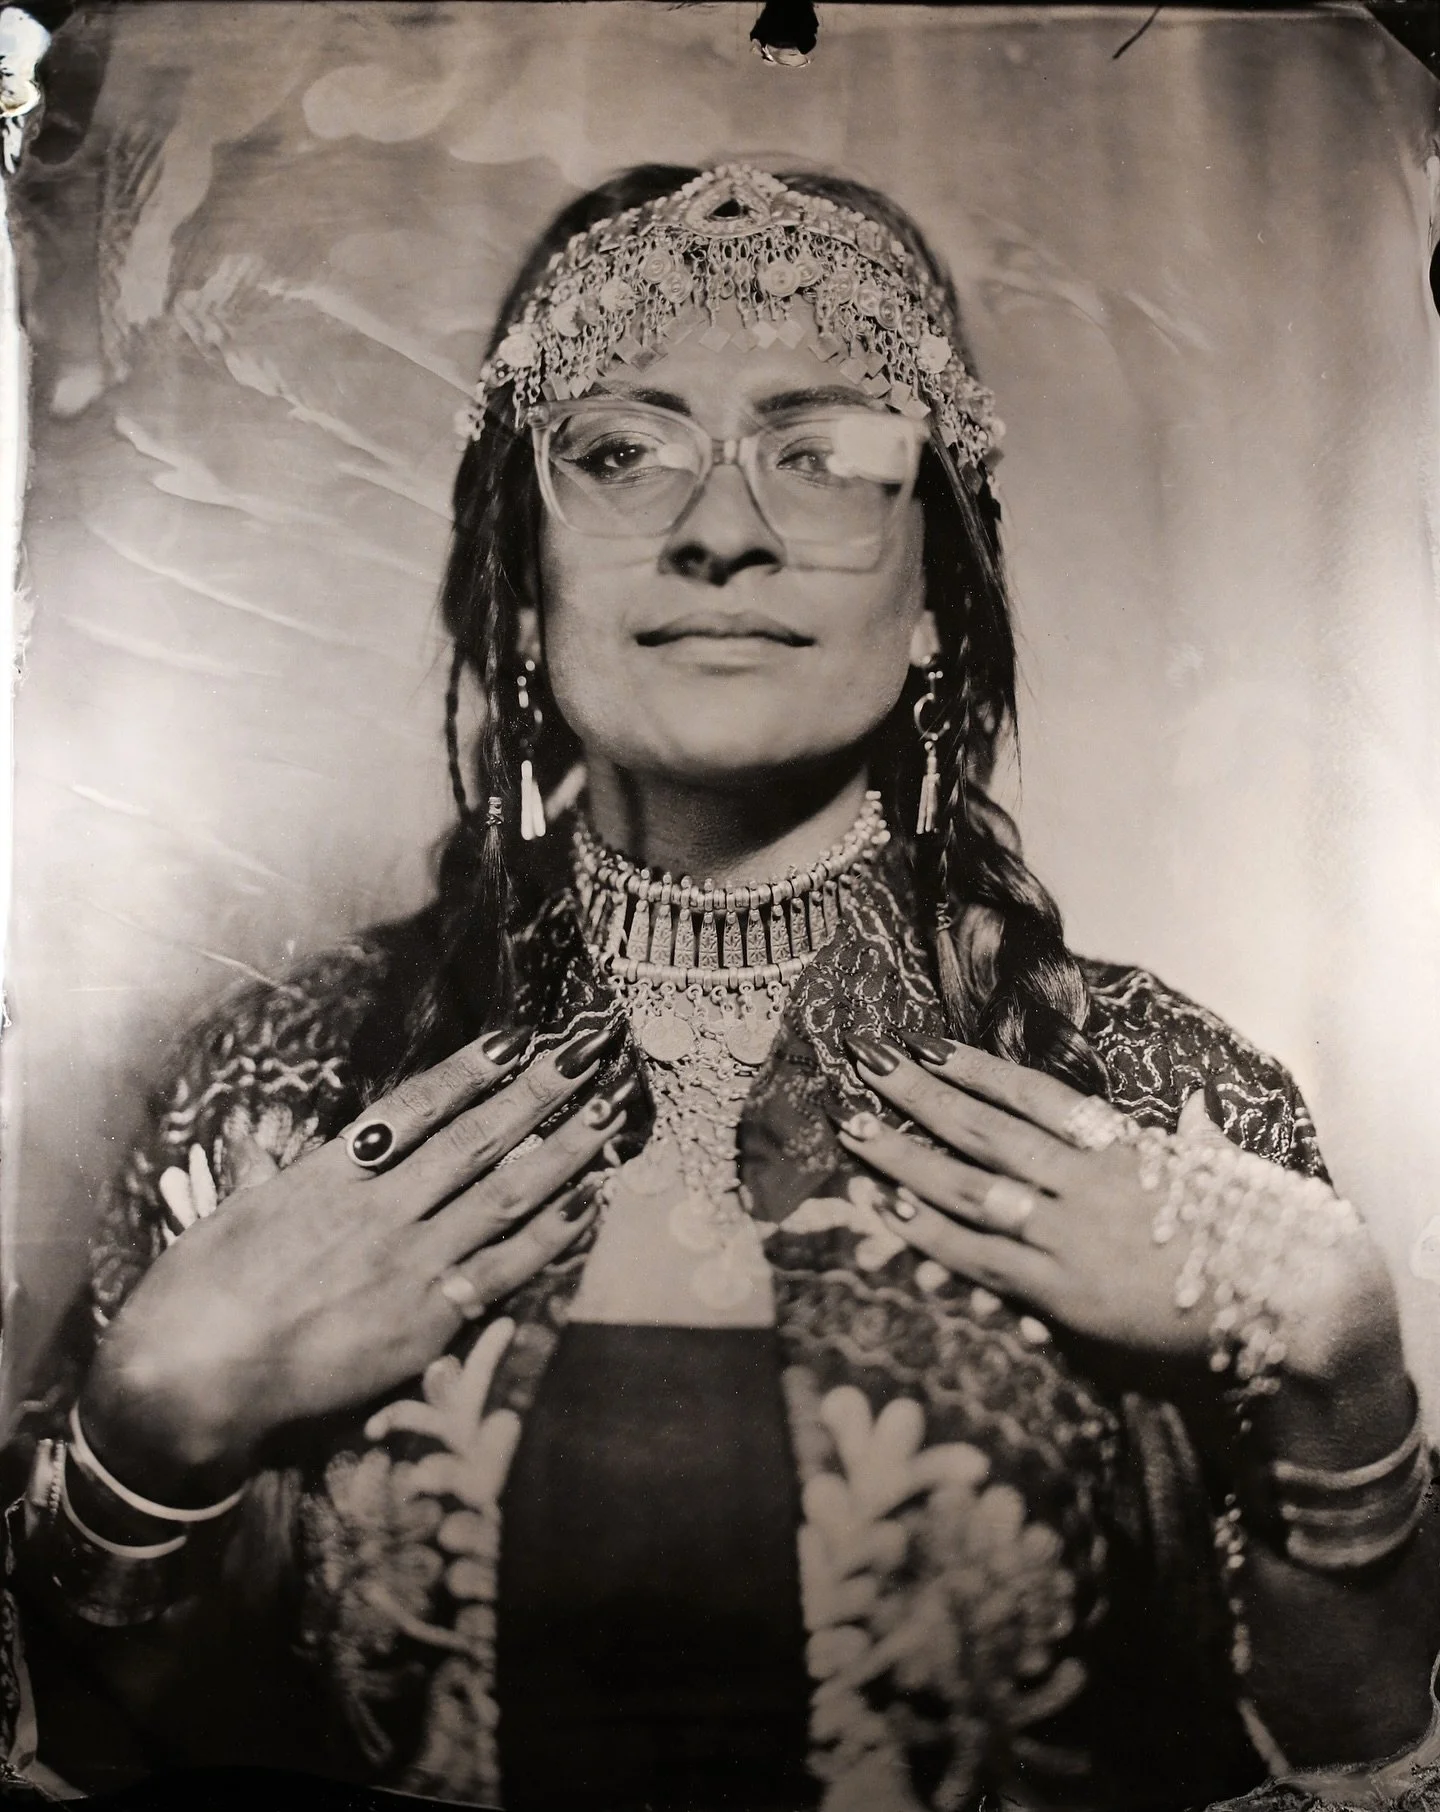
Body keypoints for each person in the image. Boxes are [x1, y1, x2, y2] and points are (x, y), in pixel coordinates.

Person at [7, 161, 1440, 1812]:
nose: (719, 528)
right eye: (618, 452)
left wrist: (1341, 1368)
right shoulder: (275, 1087)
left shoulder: (1158, 1089)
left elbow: (1369, 1771)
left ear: (930, 599)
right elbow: (84, 1755)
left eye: (822, 454)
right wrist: (146, 1435)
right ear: (524, 591)